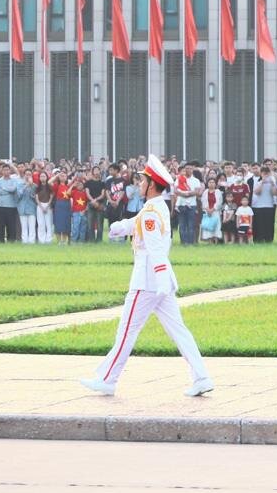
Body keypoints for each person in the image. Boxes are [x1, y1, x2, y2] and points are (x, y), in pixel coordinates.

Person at [79, 155, 214, 398]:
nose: (139, 183)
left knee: (126, 332)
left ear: (152, 184)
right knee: (179, 331)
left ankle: (108, 379)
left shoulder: (152, 210)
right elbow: (138, 223)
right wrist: (121, 227)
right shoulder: (155, 207)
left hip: (148, 281)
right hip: (158, 282)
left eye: (142, 180)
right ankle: (202, 377)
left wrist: (160, 278)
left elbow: (155, 248)